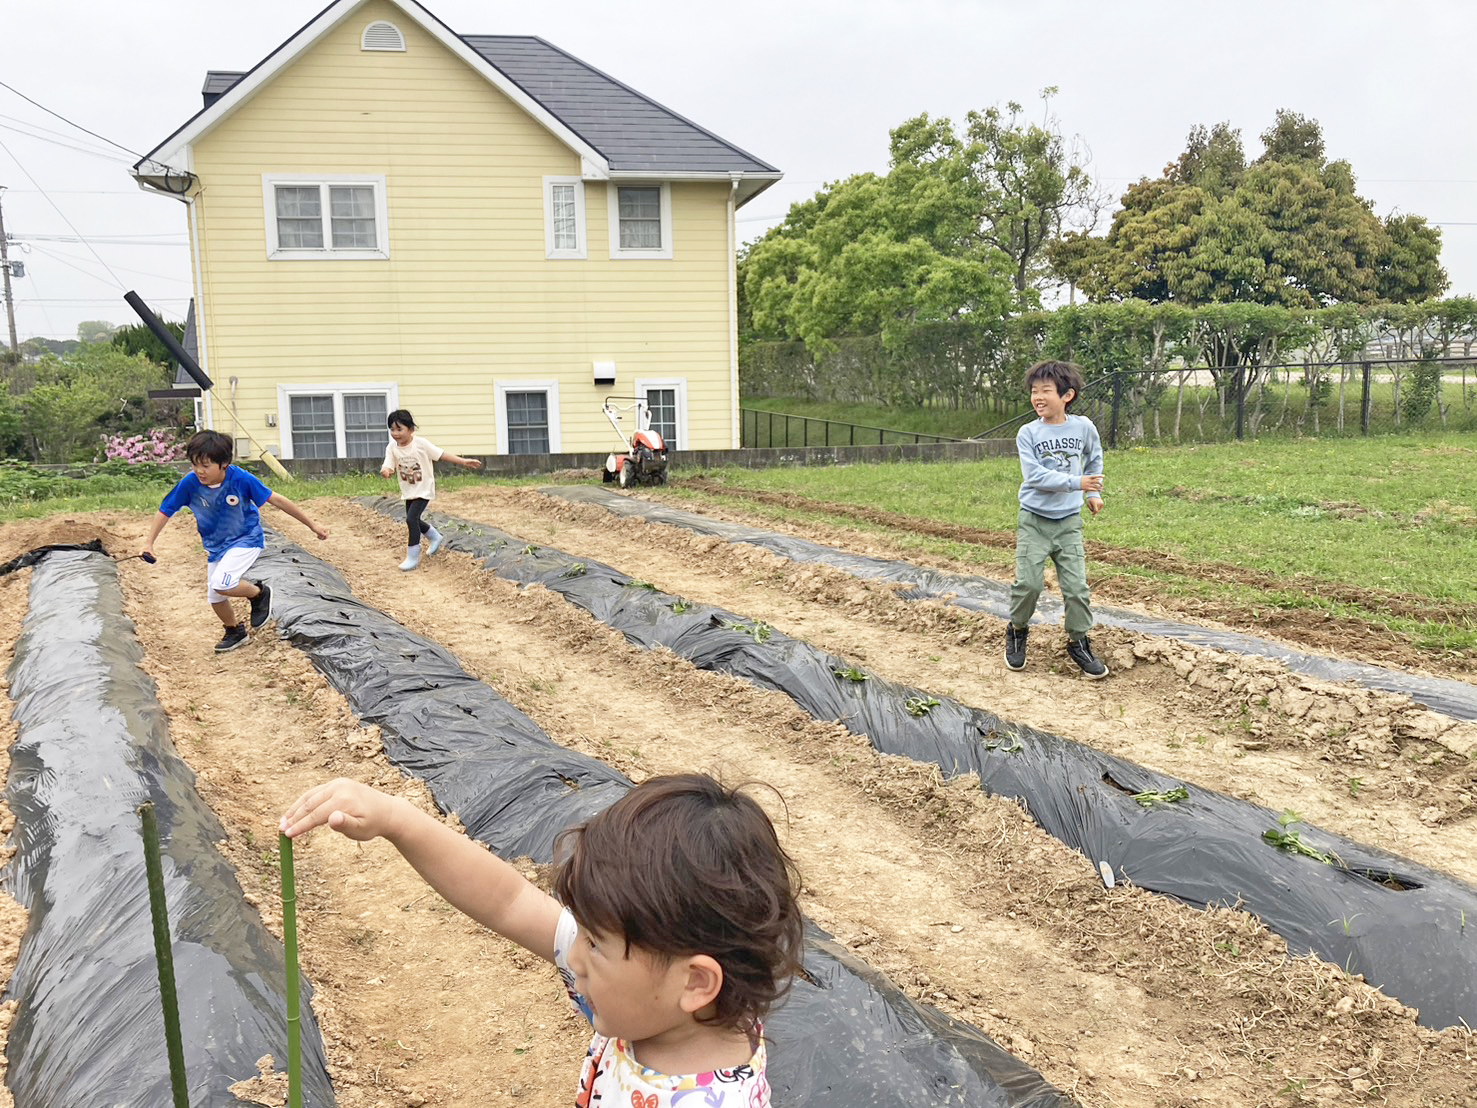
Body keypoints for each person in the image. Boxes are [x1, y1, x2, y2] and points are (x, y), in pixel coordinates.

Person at [280, 773, 804, 1106]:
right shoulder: (668, 1006)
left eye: (594, 943)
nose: (573, 956)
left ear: (696, 981)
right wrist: (397, 819)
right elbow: (508, 900)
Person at [143, 430, 329, 653]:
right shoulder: (190, 483)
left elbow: (277, 499)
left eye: (206, 465)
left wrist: (312, 525)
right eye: (195, 465)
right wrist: (149, 543)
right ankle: (234, 630)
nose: (199, 471)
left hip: (246, 539)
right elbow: (166, 510)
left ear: (224, 464)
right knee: (215, 597)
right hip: (216, 546)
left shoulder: (240, 479)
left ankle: (259, 594)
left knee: (222, 583)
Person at [1005, 359, 1109, 679]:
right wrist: (1078, 484)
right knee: (1029, 584)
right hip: (1034, 520)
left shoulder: (1083, 427)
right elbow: (1034, 476)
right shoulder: (1028, 433)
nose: (1038, 397)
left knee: (1077, 588)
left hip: (1068, 522)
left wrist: (1093, 493)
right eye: (1034, 391)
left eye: (1046, 390)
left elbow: (1094, 456)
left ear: (1067, 395)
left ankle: (1078, 641)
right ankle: (1018, 629)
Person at [379, 409, 483, 570]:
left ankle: (412, 556)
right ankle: (435, 537)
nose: (395, 433)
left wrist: (463, 462)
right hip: (409, 490)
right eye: (392, 429)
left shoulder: (421, 444)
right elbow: (388, 463)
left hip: (424, 488)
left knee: (411, 519)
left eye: (399, 429)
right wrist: (386, 470)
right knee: (414, 519)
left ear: (411, 429)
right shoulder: (392, 447)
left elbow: (441, 454)